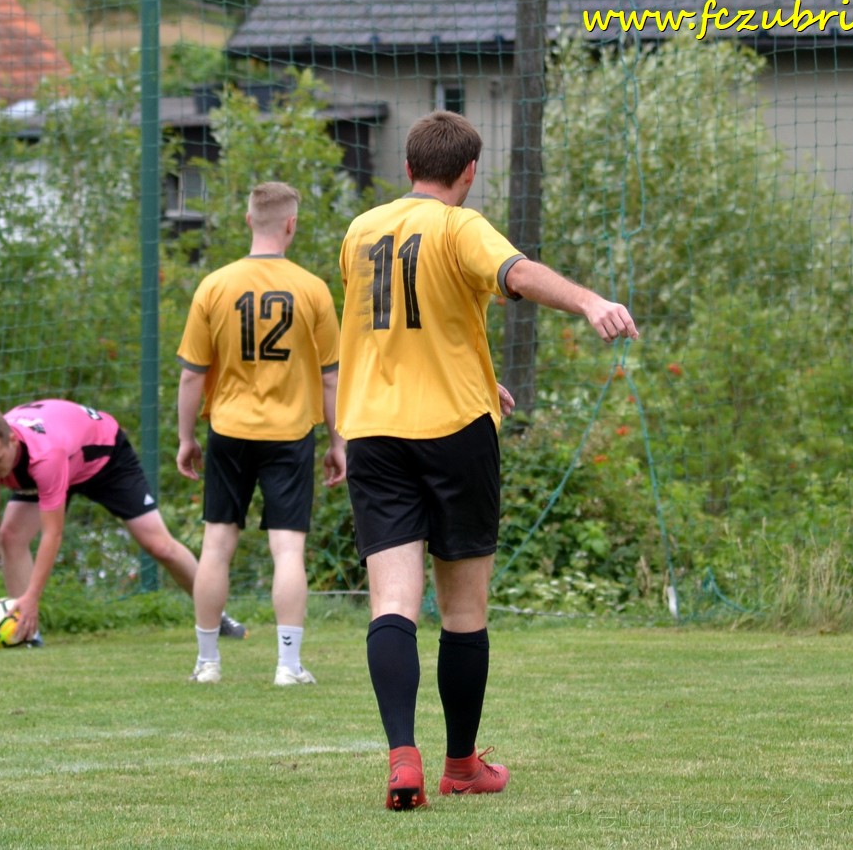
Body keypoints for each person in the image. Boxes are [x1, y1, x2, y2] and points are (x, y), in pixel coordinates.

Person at [336, 112, 639, 810]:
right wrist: (590, 300)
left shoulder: (361, 231)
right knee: (464, 608)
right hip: (454, 431)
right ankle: (461, 765)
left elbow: (394, 328)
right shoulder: (459, 225)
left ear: (408, 167)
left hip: (373, 431)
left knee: (392, 603)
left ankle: (402, 758)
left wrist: (478, 373)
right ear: (469, 172)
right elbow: (517, 274)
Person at [176, 181, 346, 686]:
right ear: (291, 225)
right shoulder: (312, 289)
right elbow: (331, 378)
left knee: (216, 543)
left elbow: (191, 376)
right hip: (289, 432)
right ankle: (288, 667)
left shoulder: (214, 286)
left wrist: (186, 438)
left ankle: (207, 663)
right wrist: (338, 442)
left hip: (228, 429)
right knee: (287, 549)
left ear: (249, 220)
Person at [0, 399, 245, 646]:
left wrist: (32, 597)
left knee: (160, 546)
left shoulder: (45, 455)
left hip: (104, 458)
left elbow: (53, 534)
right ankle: (25, 634)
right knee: (11, 537)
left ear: (12, 440)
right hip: (61, 459)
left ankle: (216, 616)